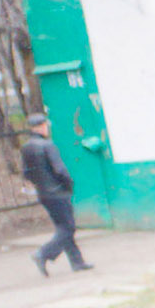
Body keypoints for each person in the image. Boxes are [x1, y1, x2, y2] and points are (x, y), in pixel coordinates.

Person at [22, 113, 92, 277]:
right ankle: (43, 254)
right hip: (57, 192)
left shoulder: (26, 148)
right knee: (68, 228)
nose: (47, 128)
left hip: (43, 194)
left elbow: (27, 173)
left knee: (63, 227)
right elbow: (59, 170)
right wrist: (68, 184)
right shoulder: (48, 146)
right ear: (41, 126)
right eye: (46, 125)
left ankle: (77, 262)